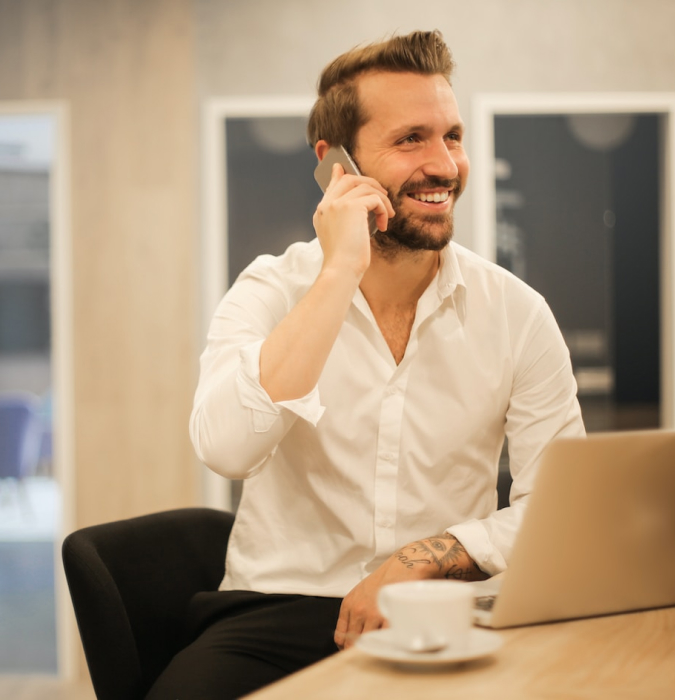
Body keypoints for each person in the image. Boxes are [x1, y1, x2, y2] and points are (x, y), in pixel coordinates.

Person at [147, 29, 585, 700]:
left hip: (445, 610)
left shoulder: (518, 314)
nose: (444, 165)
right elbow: (226, 448)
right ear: (337, 164)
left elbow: (557, 509)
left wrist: (421, 558)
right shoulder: (270, 290)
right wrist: (339, 271)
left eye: (453, 136)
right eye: (411, 139)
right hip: (275, 612)